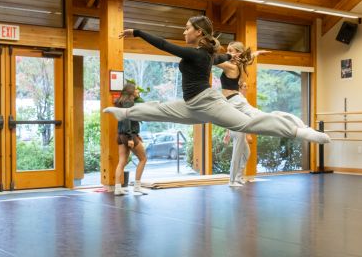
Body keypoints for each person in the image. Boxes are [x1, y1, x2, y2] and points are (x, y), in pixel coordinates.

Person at [103, 15, 330, 144]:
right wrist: (229, 55)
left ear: (198, 32)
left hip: (208, 102)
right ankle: (125, 113)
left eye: (186, 29)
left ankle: (299, 132)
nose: (184, 32)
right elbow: (217, 57)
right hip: (192, 104)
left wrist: (139, 32)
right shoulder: (207, 55)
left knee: (247, 124)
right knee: (161, 109)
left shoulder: (197, 53)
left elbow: (165, 45)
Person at [216, 41, 310, 186]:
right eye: (227, 50)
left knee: (261, 120)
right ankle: (238, 178)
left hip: (235, 101)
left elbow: (213, 60)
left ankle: (233, 180)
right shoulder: (238, 64)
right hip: (233, 103)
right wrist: (256, 54)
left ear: (238, 53)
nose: (228, 53)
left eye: (231, 50)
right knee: (245, 151)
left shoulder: (231, 66)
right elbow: (245, 58)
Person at [113, 83, 148, 196]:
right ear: (131, 91)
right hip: (128, 135)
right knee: (143, 159)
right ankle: (137, 187)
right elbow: (127, 120)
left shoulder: (121, 102)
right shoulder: (129, 103)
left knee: (122, 161)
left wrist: (136, 135)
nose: (138, 90)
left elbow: (125, 121)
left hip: (120, 135)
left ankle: (118, 188)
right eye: (136, 89)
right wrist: (130, 138)